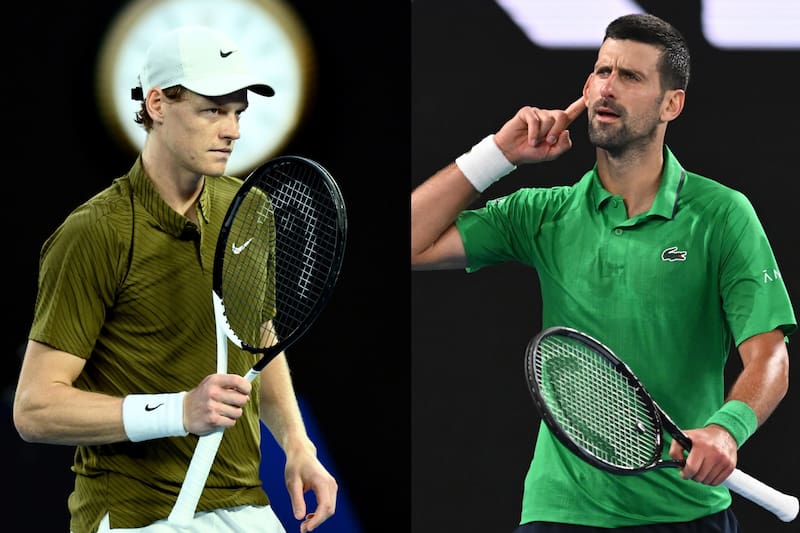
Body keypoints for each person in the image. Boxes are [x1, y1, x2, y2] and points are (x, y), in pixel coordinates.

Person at [411, 12, 795, 532]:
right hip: (561, 509)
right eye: (601, 72)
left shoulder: (722, 215)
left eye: (630, 77)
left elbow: (770, 354)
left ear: (671, 104)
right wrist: (497, 155)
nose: (606, 88)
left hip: (686, 513)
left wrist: (727, 430)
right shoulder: (542, 213)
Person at [13, 25, 336, 533]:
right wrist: (179, 411)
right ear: (158, 104)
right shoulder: (94, 232)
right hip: (136, 517)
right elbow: (35, 408)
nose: (232, 130)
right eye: (212, 110)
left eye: (237, 112)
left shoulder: (249, 208)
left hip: (248, 507)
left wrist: (297, 441)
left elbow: (256, 340)